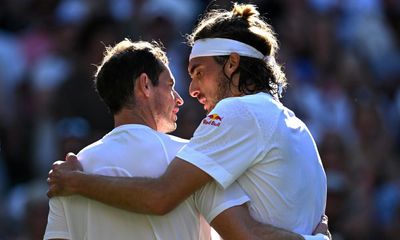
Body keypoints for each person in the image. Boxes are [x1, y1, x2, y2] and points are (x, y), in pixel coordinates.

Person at [48, 3, 329, 239]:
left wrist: (76, 182)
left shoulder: (237, 113)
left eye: (198, 72)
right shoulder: (293, 124)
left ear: (232, 64)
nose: (191, 92)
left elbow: (161, 195)